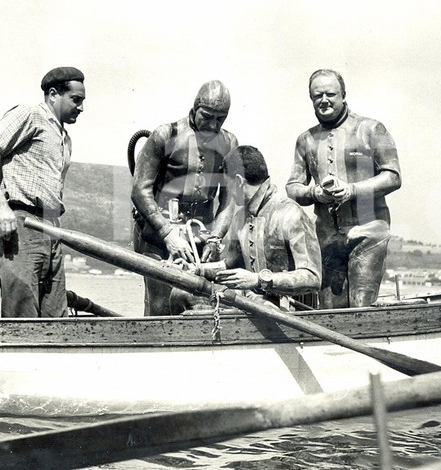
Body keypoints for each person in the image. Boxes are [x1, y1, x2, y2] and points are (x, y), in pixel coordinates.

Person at [0, 66, 86, 318]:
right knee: (21, 315)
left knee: (57, 317)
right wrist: (1, 206)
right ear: (54, 94)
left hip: (52, 230)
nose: (81, 108)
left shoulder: (65, 138)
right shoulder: (30, 115)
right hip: (19, 226)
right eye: (75, 100)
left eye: (82, 101)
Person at [286, 69, 401, 308]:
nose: (324, 100)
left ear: (343, 95)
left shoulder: (371, 129)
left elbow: (392, 176)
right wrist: (314, 193)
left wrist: (352, 190)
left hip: (368, 233)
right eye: (318, 95)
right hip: (327, 238)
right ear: (311, 99)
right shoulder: (305, 140)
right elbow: (292, 187)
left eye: (330, 94)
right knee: (330, 312)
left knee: (361, 308)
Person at [131, 80, 240, 315]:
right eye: (207, 116)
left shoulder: (229, 143)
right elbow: (140, 190)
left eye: (220, 119)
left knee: (203, 306)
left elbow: (230, 199)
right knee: (159, 307)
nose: (212, 125)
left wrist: (214, 238)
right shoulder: (164, 135)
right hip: (159, 239)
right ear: (194, 109)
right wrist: (167, 233)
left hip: (202, 241)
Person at [185, 145, 321, 311]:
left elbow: (312, 277)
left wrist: (259, 280)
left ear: (239, 182)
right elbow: (229, 265)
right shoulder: (240, 218)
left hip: (289, 313)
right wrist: (197, 269)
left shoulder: (291, 214)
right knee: (182, 294)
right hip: (252, 304)